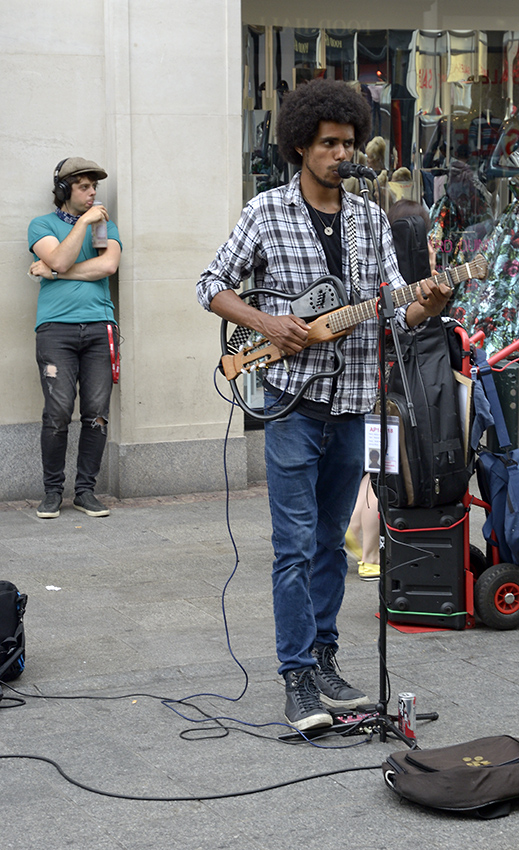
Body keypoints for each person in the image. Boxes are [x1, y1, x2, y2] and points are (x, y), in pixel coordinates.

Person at [196, 78, 451, 732]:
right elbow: (210, 284)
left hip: (352, 408)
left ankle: (325, 656)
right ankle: (294, 677)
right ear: (300, 146)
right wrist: (268, 322)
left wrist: (431, 299)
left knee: (329, 547)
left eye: (348, 143)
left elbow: (398, 301)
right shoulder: (267, 211)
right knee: (291, 546)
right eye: (329, 144)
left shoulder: (369, 217)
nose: (342, 154)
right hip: (289, 406)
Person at [346, 199, 440, 583]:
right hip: (386, 388)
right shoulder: (400, 275)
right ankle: (369, 555)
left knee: (373, 467)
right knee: (379, 467)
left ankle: (354, 535)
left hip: (376, 384)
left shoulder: (383, 271)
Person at [28, 157, 122, 519]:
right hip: (56, 330)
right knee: (57, 412)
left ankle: (85, 491)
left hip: (100, 327)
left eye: (94, 186)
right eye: (84, 186)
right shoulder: (42, 225)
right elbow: (61, 258)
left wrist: (52, 274)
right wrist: (83, 222)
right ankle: (52, 491)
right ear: (65, 190)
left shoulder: (103, 228)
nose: (93, 192)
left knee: (97, 413)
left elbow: (107, 266)